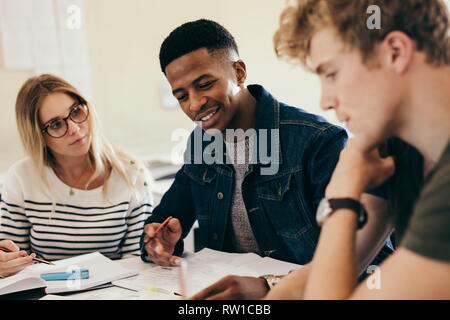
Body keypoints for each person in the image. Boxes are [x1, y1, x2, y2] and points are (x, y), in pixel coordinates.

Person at [140, 19, 393, 299]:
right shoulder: (201, 142)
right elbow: (163, 221)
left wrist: (269, 286)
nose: (195, 104)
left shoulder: (318, 141)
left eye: (205, 84)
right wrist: (158, 243)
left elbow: (373, 262)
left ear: (239, 72)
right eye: (181, 96)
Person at [266, 0, 450, 299]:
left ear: (396, 52)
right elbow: (330, 270)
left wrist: (342, 195)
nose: (325, 102)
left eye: (331, 74)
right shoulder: (397, 147)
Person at [0, 74, 153, 277]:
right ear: (38, 136)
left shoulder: (131, 174)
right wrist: (4, 265)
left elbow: (137, 263)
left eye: (76, 111)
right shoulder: (21, 178)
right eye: (55, 124)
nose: (74, 128)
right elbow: (11, 260)